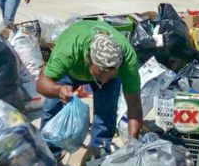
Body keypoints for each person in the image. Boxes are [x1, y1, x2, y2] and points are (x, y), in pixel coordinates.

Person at [37, 20, 143, 153]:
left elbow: (134, 105)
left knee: (106, 113)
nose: (103, 81)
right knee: (52, 107)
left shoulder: (127, 61)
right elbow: (41, 84)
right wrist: (58, 90)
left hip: (100, 69)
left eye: (109, 74)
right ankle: (50, 153)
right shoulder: (70, 50)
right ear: (88, 59)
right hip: (72, 70)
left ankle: (97, 154)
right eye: (100, 74)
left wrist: (133, 143)